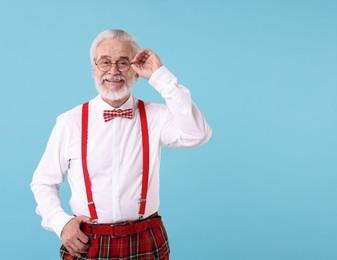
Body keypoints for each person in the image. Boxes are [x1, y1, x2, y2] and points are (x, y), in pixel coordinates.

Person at [31, 29, 212, 259]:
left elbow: (198, 133)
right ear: (94, 70)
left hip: (146, 238)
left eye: (123, 63)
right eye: (105, 62)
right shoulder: (70, 122)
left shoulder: (156, 116)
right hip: (89, 242)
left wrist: (160, 75)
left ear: (136, 72)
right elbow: (43, 182)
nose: (113, 71)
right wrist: (60, 222)